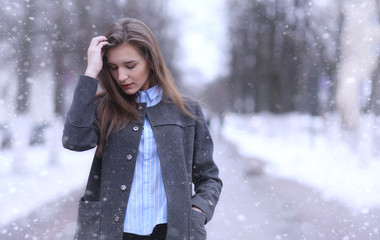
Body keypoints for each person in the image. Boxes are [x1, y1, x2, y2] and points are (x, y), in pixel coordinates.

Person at [62, 17, 222, 240]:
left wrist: (198, 211)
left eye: (130, 65)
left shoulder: (186, 111)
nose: (121, 76)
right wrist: (91, 72)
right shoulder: (104, 108)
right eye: (113, 68)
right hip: (112, 232)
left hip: (169, 232)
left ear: (150, 60)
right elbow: (74, 140)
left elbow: (209, 178)